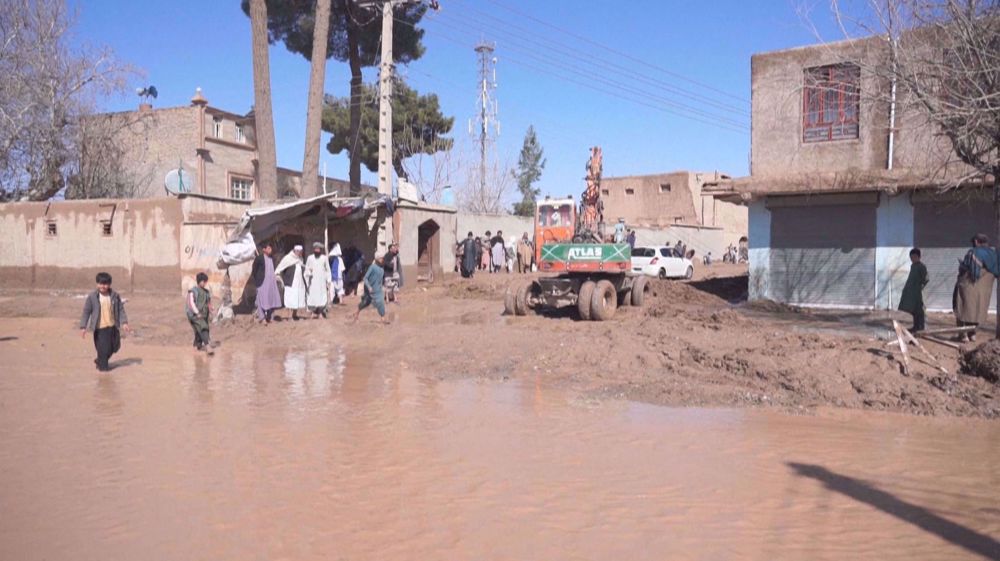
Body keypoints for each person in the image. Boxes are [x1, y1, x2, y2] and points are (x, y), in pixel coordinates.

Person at [79, 272, 130, 372]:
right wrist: (83, 327)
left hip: (112, 326)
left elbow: (120, 309)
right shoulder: (92, 297)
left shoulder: (114, 296)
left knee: (115, 346)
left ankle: (100, 360)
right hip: (100, 329)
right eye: (101, 283)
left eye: (106, 284)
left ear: (109, 284)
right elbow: (86, 312)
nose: (103, 286)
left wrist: (124, 322)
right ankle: (103, 371)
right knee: (103, 350)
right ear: (97, 284)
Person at [953, 233, 999, 342]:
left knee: (961, 307)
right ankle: (972, 334)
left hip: (968, 286)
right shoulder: (994, 254)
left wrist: (962, 266)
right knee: (976, 310)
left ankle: (963, 335)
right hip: (984, 290)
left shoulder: (973, 253)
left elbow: (970, 269)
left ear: (977, 242)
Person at [251, 242, 282, 324]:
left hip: (271, 283)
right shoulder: (259, 258)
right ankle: (262, 318)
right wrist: (257, 279)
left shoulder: (272, 258)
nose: (270, 250)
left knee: (271, 299)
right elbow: (254, 270)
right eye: (268, 248)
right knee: (261, 300)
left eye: (270, 248)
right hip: (262, 283)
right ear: (264, 249)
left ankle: (270, 317)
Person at [898, 248, 928, 333]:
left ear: (918, 256)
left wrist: (920, 288)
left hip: (918, 293)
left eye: (913, 257)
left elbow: (926, 279)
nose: (912, 259)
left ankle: (921, 327)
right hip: (912, 293)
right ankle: (915, 326)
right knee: (914, 310)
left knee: (919, 311)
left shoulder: (922, 267)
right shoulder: (913, 266)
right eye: (911, 257)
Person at [352, 254, 389, 324]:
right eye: (381, 258)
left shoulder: (382, 269)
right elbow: (365, 278)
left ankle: (383, 318)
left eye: (382, 258)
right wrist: (369, 287)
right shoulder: (372, 267)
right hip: (369, 289)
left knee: (380, 302)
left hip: (378, 289)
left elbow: (381, 280)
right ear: (377, 259)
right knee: (366, 302)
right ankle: (356, 313)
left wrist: (383, 286)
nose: (382, 260)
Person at [276, 245, 307, 320]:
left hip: (299, 282)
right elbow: (280, 267)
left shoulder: (300, 259)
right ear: (294, 251)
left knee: (297, 298)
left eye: (300, 252)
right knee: (290, 299)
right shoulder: (288, 258)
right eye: (298, 252)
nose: (299, 253)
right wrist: (277, 275)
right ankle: (289, 316)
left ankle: (295, 315)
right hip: (290, 282)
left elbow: (302, 266)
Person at [186, 272, 213, 354]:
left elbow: (208, 302)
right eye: (203, 281)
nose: (205, 283)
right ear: (199, 281)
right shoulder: (193, 291)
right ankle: (208, 347)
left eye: (205, 281)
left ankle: (196, 346)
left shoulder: (206, 292)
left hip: (204, 314)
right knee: (203, 327)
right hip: (194, 315)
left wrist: (211, 309)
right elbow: (191, 304)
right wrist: (197, 313)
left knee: (199, 331)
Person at [304, 242, 331, 318]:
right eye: (316, 249)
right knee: (312, 296)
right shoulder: (310, 258)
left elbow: (328, 270)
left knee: (322, 296)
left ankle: (321, 313)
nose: (317, 250)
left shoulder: (324, 258)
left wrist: (328, 280)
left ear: (320, 250)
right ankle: (313, 312)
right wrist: (309, 272)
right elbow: (306, 269)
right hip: (313, 281)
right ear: (314, 249)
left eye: (318, 249)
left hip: (321, 281)